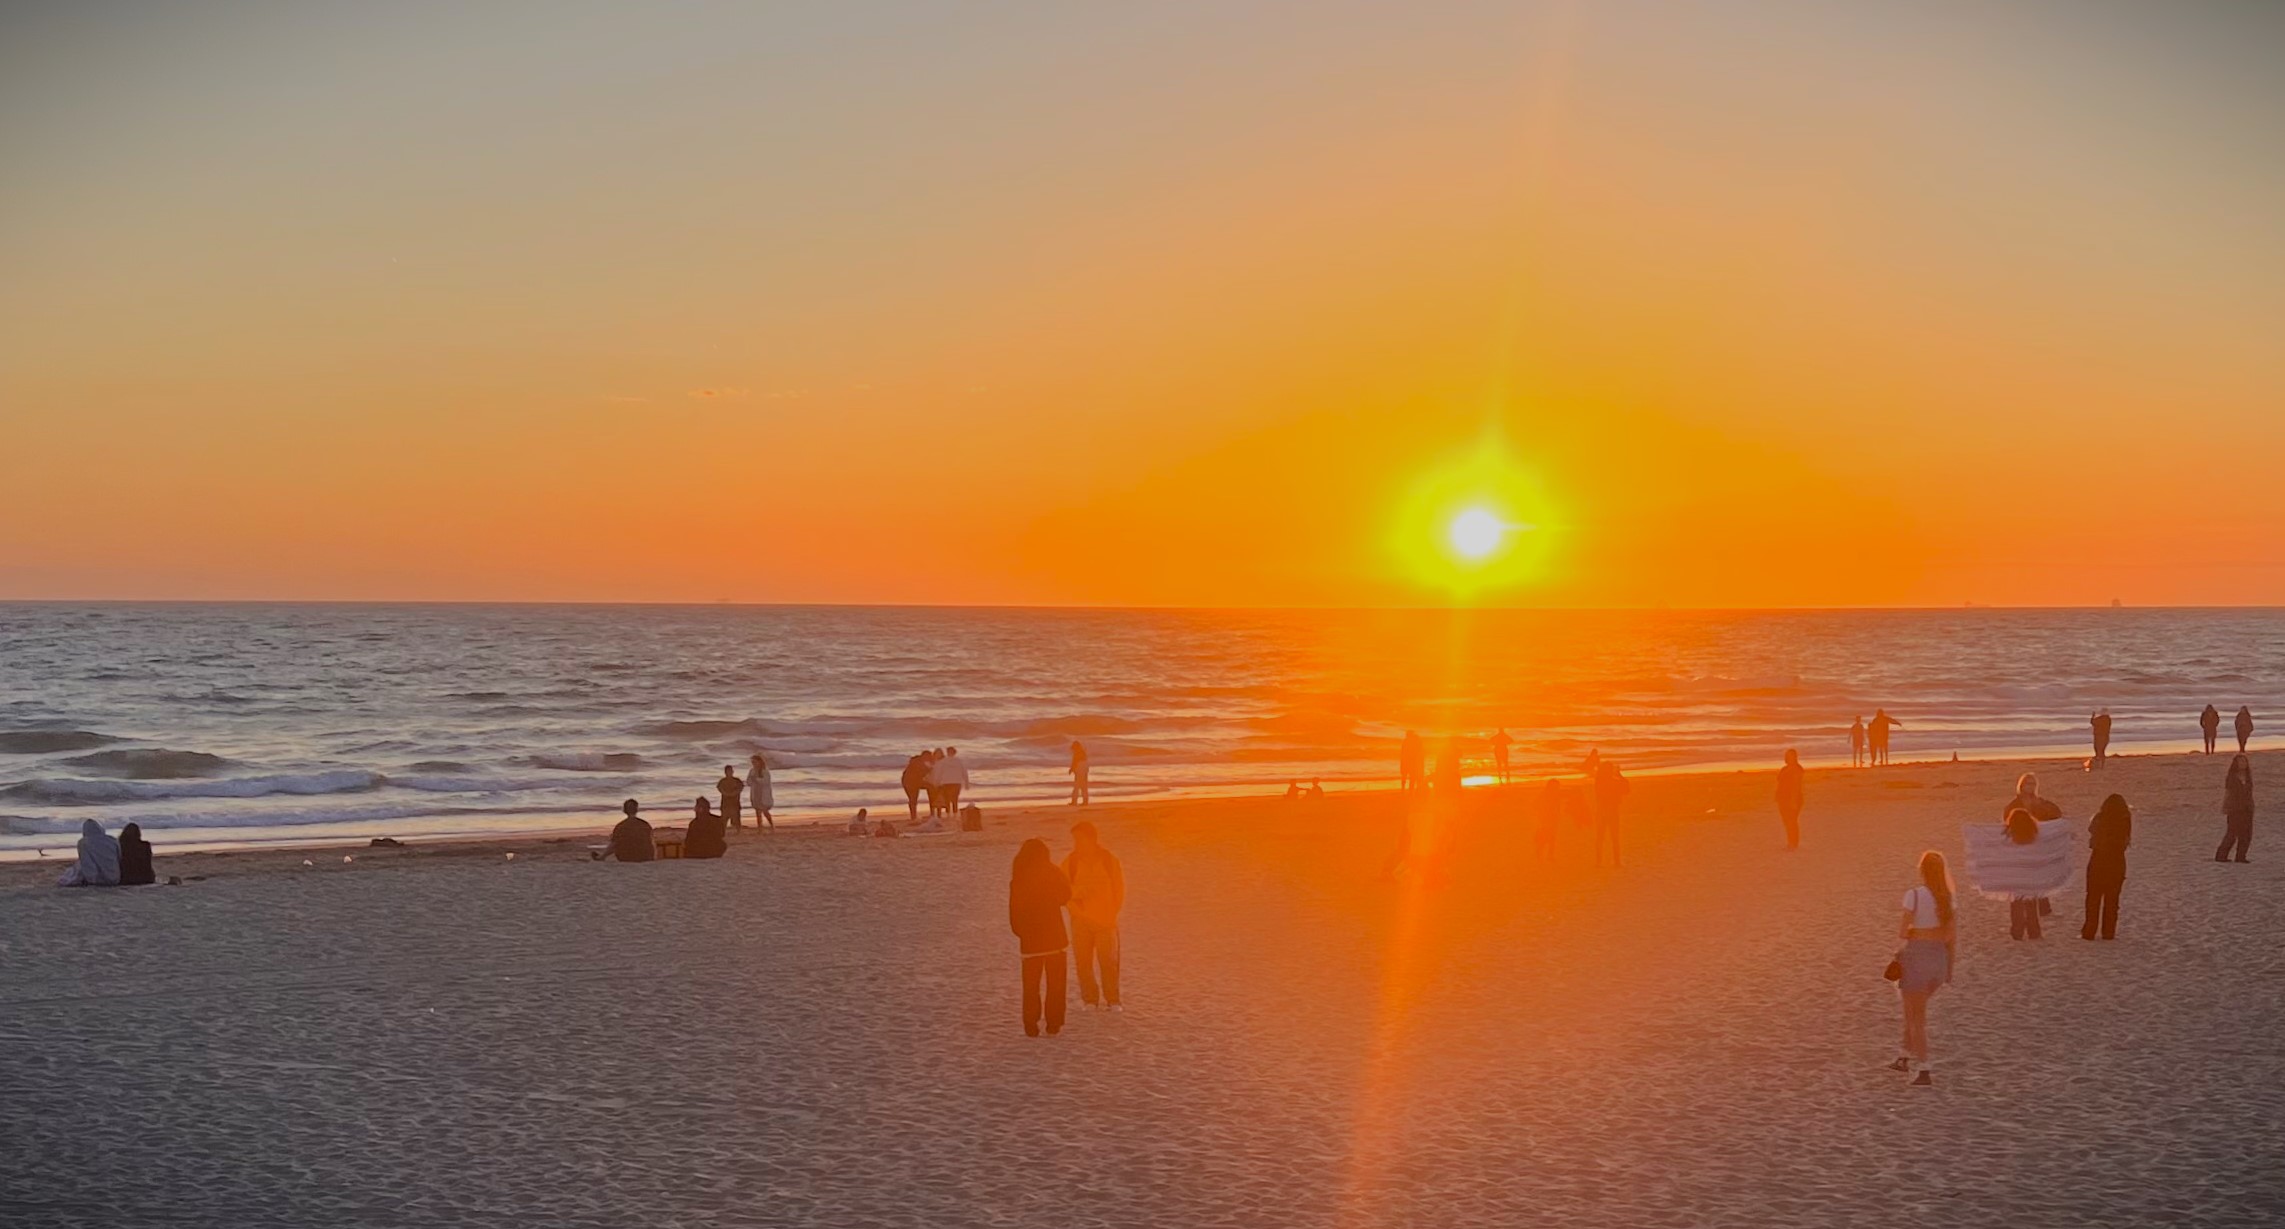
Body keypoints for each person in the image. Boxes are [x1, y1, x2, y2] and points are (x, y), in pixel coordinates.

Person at [1892, 850, 1956, 1086]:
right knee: (1913, 1012)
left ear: (1922, 871)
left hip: (1917, 959)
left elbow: (1902, 931)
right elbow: (1951, 937)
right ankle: (1903, 1056)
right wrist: (1949, 970)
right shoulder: (1949, 899)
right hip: (1939, 962)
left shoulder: (1914, 896)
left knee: (1916, 1017)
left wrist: (1917, 933)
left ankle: (1924, 1068)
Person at [1007, 838, 1072, 1037]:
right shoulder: (1052, 872)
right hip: (1055, 938)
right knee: (1056, 984)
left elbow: (1014, 911)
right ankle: (1054, 1024)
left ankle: (1030, 1025)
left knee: (1031, 986)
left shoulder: (1018, 877)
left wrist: (1021, 932)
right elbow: (1065, 896)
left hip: (1030, 941)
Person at [1061, 821, 1126, 1012]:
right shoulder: (1070, 862)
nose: (1076, 844)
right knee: (1083, 963)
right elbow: (1062, 891)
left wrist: (1112, 912)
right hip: (1080, 921)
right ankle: (1090, 999)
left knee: (1109, 962)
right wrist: (1077, 900)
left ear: (1091, 839)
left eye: (1080, 839)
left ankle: (1113, 1000)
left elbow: (1119, 889)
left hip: (1106, 921)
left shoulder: (1108, 860)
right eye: (1075, 840)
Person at [2083, 794, 2132, 940]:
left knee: (2093, 899)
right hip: (2116, 862)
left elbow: (2091, 832)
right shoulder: (2124, 820)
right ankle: (2108, 932)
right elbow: (2124, 842)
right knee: (2112, 901)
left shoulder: (2100, 818)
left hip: (2098, 861)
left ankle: (2089, 932)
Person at [56, 818, 122, 887]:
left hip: (97, 880)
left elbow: (87, 863)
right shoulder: (113, 840)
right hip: (115, 878)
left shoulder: (84, 843)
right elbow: (119, 857)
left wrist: (91, 880)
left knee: (77, 866)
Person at [2216, 754, 2254, 863]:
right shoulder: (2231, 777)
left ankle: (2240, 857)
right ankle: (2221, 856)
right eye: (2240, 762)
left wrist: (2251, 806)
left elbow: (2249, 794)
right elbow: (2228, 793)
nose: (2243, 764)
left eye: (2244, 762)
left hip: (2247, 808)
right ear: (2235, 764)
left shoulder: (2248, 777)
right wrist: (2226, 807)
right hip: (2235, 809)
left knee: (2246, 834)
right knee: (2232, 833)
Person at [1592, 762, 1629, 867]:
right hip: (1612, 811)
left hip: (1601, 811)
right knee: (1614, 837)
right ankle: (1616, 861)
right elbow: (1626, 789)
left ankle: (1599, 862)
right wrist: (1620, 776)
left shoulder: (1599, 781)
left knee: (1600, 837)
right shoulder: (1613, 782)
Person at [1775, 749, 1805, 850]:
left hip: (1793, 798)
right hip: (1782, 798)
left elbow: (1797, 786)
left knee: (1792, 821)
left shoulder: (1797, 769)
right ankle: (1790, 841)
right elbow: (1779, 782)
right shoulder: (1784, 769)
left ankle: (1793, 843)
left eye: (1792, 756)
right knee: (1786, 821)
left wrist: (1793, 800)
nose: (1790, 758)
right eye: (1788, 756)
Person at [935, 746, 970, 817]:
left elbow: (939, 772)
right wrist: (966, 783)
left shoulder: (943, 761)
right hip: (957, 782)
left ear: (947, 752)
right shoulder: (959, 761)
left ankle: (948, 814)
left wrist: (937, 782)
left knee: (947, 799)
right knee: (955, 799)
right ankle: (955, 813)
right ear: (955, 753)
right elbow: (964, 772)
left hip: (945, 782)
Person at [118, 822, 155, 886]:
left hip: (126, 879)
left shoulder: (120, 845)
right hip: (146, 878)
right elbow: (148, 863)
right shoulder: (145, 845)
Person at [1535, 779, 1562, 861]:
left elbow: (1557, 807)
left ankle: (1550, 855)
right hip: (1546, 819)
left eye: (1557, 787)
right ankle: (1540, 854)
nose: (1557, 788)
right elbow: (1537, 805)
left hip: (1553, 818)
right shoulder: (1544, 795)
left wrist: (1557, 815)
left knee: (1552, 837)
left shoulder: (1556, 795)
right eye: (1555, 787)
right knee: (1545, 837)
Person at [747, 753, 775, 832]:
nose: (754, 764)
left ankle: (772, 825)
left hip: (763, 793)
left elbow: (765, 782)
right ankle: (760, 828)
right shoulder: (752, 771)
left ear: (759, 762)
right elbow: (748, 782)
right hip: (755, 792)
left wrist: (756, 779)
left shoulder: (765, 771)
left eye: (755, 762)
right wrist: (752, 780)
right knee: (757, 812)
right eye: (752, 762)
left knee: (765, 811)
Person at [901, 751, 931, 824]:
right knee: (913, 800)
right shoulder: (919, 763)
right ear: (925, 756)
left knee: (912, 800)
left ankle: (913, 816)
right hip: (912, 783)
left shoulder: (914, 762)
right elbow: (924, 772)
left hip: (907, 782)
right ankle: (914, 817)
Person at [717, 765, 745, 830]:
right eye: (727, 771)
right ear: (725, 772)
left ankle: (738, 830)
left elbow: (740, 788)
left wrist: (733, 794)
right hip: (725, 803)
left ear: (732, 772)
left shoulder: (737, 781)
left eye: (730, 771)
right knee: (724, 819)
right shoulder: (722, 781)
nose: (729, 773)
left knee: (736, 818)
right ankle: (723, 830)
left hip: (735, 803)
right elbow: (720, 789)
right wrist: (726, 794)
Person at [1068, 740, 1090, 806]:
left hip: (1080, 769)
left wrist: (1071, 769)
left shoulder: (1077, 753)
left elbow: (1075, 762)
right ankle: (1085, 801)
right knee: (1084, 786)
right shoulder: (1083, 752)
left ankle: (1074, 801)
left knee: (1076, 785)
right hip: (1085, 769)